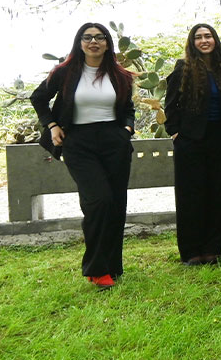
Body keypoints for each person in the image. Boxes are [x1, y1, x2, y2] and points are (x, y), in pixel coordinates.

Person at [32, 23, 135, 289]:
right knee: (98, 200)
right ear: (79, 42)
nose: (93, 42)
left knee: (115, 204)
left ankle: (112, 265)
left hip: (114, 141)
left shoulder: (120, 74)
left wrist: (127, 129)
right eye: (87, 37)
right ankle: (96, 268)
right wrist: (52, 125)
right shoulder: (65, 72)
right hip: (78, 142)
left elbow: (128, 108)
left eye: (99, 37)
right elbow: (38, 98)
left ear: (107, 43)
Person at [164, 24, 221, 266]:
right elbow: (171, 104)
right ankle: (191, 251)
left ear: (215, 40)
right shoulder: (183, 68)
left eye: (208, 36)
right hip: (190, 140)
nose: (204, 40)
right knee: (190, 196)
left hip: (219, 139)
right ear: (192, 42)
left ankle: (213, 249)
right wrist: (175, 133)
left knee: (216, 193)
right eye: (199, 37)